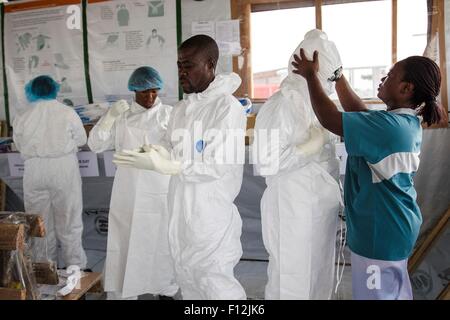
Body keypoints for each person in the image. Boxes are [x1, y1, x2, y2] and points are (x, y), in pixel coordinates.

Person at [291, 49, 444, 300]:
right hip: (392, 226)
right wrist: (337, 76)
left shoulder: (391, 129)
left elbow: (331, 119)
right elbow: (359, 113)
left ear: (406, 88)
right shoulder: (402, 123)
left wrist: (311, 77)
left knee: (376, 295)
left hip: (380, 233)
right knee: (391, 293)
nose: (383, 78)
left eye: (391, 75)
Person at [113, 35, 247, 300]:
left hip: (209, 219)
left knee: (216, 287)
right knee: (189, 285)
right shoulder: (181, 109)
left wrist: (169, 164)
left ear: (210, 65)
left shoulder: (226, 108)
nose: (182, 72)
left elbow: (217, 165)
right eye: (178, 65)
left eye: (189, 65)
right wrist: (153, 152)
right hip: (180, 217)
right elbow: (169, 146)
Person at [253, 29, 342, 300]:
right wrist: (306, 149)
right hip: (292, 205)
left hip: (319, 206)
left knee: (317, 272)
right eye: (324, 75)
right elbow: (266, 162)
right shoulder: (280, 106)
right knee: (292, 276)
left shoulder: (319, 104)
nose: (327, 83)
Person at [88, 66, 177, 300]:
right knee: (126, 240)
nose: (150, 97)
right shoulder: (123, 117)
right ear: (134, 91)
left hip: (160, 186)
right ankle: (123, 292)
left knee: (161, 241)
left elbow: (180, 149)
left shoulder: (169, 114)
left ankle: (164, 289)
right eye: (144, 92)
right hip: (128, 188)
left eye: (154, 92)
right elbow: (95, 145)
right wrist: (108, 118)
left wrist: (159, 156)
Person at [13, 75, 87, 269]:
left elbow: (19, 144)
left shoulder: (22, 115)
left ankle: (44, 273)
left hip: (34, 169)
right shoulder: (67, 112)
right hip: (63, 167)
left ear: (32, 90)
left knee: (40, 224)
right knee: (69, 220)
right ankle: (75, 269)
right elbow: (81, 140)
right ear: (54, 89)